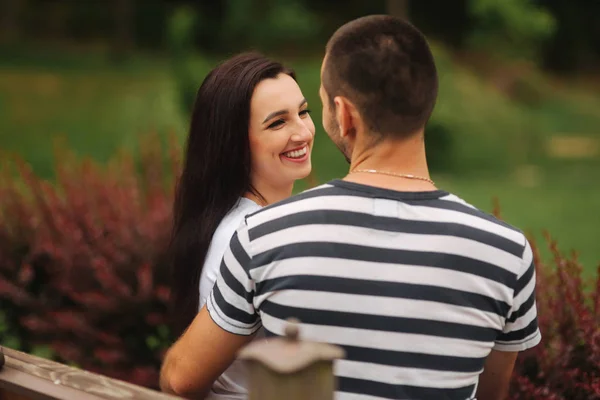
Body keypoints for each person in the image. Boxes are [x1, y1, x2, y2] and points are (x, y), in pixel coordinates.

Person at [160, 15, 541, 400]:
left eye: (312, 108)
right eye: (277, 121)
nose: (304, 130)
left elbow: (182, 378)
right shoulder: (508, 253)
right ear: (428, 103)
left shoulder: (263, 239)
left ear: (342, 115)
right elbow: (491, 391)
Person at [167, 52, 315, 399]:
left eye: (303, 112)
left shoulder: (249, 221)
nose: (303, 132)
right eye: (278, 123)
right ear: (234, 142)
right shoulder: (248, 236)